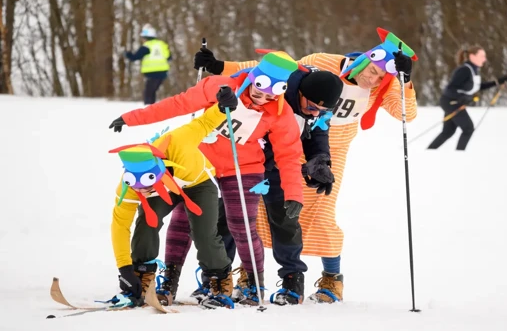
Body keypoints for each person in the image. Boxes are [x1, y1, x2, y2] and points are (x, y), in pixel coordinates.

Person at [194, 27, 418, 303]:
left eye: (382, 77)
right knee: (261, 212)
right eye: (372, 71)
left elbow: (406, 112)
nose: (373, 80)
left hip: (327, 152)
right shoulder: (324, 62)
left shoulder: (386, 86)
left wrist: (405, 81)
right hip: (283, 144)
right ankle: (246, 273)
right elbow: (271, 69)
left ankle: (331, 279)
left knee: (319, 215)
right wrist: (219, 67)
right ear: (364, 59)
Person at [108, 49, 305, 306]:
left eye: (274, 91)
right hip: (202, 163)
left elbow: (288, 154)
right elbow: (177, 104)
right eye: (260, 86)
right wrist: (131, 118)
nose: (264, 96)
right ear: (254, 76)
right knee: (182, 219)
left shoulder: (280, 112)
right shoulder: (220, 86)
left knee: (241, 224)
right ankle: (169, 280)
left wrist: (293, 194)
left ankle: (252, 284)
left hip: (243, 166)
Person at [194, 49, 345, 305]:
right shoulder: (279, 85)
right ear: (298, 93)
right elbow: (252, 69)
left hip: (279, 163)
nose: (315, 112)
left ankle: (292, 281)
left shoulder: (320, 103)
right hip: (244, 160)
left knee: (286, 219)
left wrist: (320, 160)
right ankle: (218, 279)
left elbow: (318, 130)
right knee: (229, 219)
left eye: (323, 110)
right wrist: (218, 66)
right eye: (311, 106)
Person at [108, 89, 239, 310]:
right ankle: (141, 276)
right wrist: (125, 268)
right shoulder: (129, 185)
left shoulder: (179, 141)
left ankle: (219, 278)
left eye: (148, 185)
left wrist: (223, 106)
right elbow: (120, 225)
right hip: (165, 189)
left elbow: (206, 123)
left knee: (204, 233)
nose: (144, 191)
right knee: (147, 221)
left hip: (197, 183)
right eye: (141, 188)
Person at [427, 45, 507, 151]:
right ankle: (460, 155)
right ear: (472, 56)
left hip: (454, 102)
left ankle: (429, 151)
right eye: (482, 56)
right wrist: (463, 98)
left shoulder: (473, 70)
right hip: (451, 102)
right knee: (468, 128)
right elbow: (450, 88)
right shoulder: (464, 70)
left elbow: (478, 86)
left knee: (448, 131)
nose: (485, 59)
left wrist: (499, 81)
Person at [124, 24, 172, 105]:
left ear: (146, 37)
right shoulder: (162, 44)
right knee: (152, 91)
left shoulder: (146, 46)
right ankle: (151, 108)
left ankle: (148, 109)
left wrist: (127, 54)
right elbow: (169, 57)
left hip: (152, 72)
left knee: (148, 92)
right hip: (163, 72)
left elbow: (135, 57)